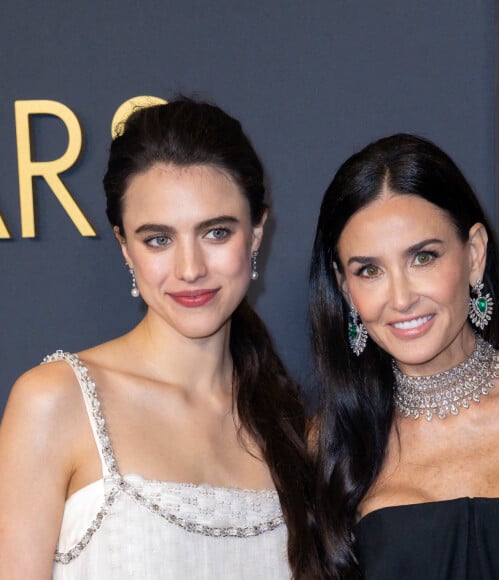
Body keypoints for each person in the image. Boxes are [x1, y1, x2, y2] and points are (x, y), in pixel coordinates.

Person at [0, 97, 319, 579]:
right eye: (158, 240)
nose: (190, 269)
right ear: (124, 247)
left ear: (255, 234)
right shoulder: (55, 401)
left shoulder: (292, 427)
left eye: (216, 232)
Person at [308, 133, 499, 579]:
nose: (400, 298)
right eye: (369, 271)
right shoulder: (328, 446)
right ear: (344, 288)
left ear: (473, 254)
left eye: (423, 258)